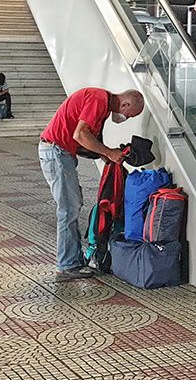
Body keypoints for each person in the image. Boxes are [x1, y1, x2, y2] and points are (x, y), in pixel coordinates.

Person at [40, 86, 145, 281]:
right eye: (130, 115)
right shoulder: (98, 99)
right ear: (125, 104)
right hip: (56, 151)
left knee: (73, 204)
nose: (127, 118)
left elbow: (90, 138)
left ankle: (73, 260)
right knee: (68, 208)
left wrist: (106, 155)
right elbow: (80, 135)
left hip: (61, 153)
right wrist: (107, 152)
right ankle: (67, 265)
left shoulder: (103, 105)